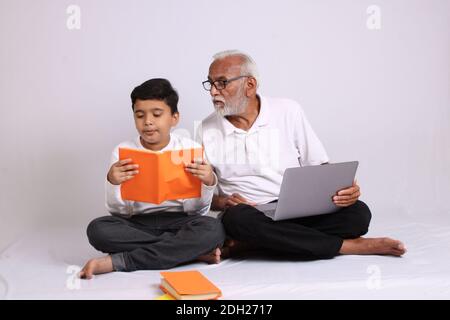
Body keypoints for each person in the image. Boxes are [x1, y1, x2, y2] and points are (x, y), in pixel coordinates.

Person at [196, 50, 406, 260]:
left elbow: (319, 166)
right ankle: (348, 246)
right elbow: (199, 197)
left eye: (222, 83)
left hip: (295, 210)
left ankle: (252, 244)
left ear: (250, 85)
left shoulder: (288, 111)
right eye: (210, 83)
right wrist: (223, 202)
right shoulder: (205, 129)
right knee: (236, 221)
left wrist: (345, 190)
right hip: (250, 214)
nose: (213, 92)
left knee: (358, 214)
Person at [80, 78, 225, 279]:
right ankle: (189, 252)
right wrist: (112, 182)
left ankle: (119, 261)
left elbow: (196, 211)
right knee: (98, 230)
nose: (147, 121)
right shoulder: (123, 152)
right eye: (140, 115)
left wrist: (209, 182)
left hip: (180, 221)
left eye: (157, 114)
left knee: (213, 229)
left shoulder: (189, 150)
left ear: (174, 118)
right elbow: (118, 212)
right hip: (138, 224)